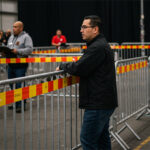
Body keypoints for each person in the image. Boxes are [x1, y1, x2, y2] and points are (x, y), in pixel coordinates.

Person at [56, 15, 118, 150]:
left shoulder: (97, 47)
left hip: (98, 103)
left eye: (84, 27)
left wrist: (62, 66)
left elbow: (79, 67)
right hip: (103, 101)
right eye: (81, 27)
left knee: (88, 139)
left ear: (95, 29)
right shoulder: (99, 45)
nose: (81, 30)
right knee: (102, 138)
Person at [7, 21, 33, 113]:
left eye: (15, 27)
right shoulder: (10, 37)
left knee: (19, 85)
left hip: (20, 65)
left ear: (21, 28)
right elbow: (8, 47)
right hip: (11, 65)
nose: (13, 28)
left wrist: (18, 51)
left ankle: (21, 105)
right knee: (11, 84)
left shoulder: (26, 37)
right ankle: (16, 103)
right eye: (13, 26)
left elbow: (30, 49)